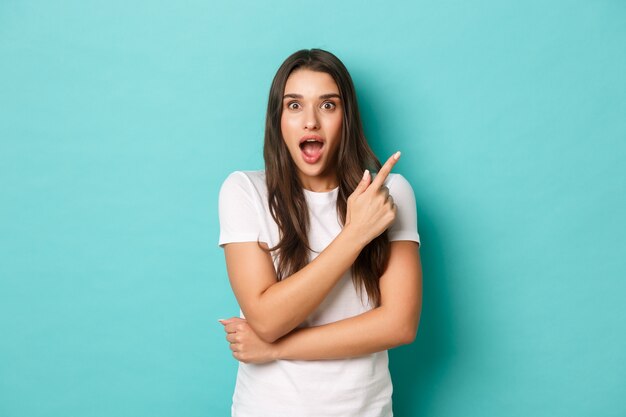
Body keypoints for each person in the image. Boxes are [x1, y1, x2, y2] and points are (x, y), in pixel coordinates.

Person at [217, 48, 422, 417]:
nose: (310, 121)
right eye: (294, 106)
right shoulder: (244, 191)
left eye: (328, 105)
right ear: (277, 119)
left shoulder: (390, 195)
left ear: (347, 117)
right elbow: (266, 318)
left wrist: (277, 348)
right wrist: (354, 235)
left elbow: (399, 324)